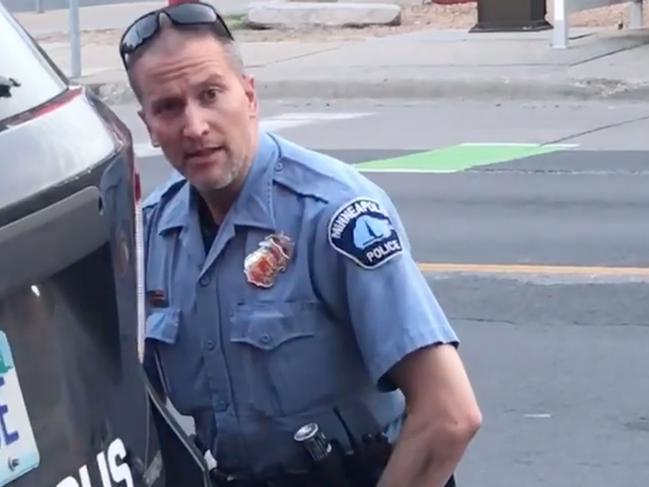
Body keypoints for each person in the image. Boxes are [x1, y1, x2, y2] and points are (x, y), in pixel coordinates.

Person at [119, 2, 482, 485]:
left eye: (211, 94)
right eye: (169, 107)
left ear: (249, 96)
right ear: (148, 125)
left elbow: (449, 415)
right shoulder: (154, 235)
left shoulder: (333, 212)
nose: (195, 126)